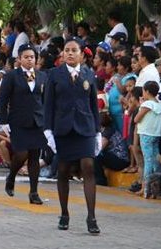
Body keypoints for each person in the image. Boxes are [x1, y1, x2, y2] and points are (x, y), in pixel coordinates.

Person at [43, 38, 102, 234]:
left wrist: (98, 132)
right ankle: (64, 213)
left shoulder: (89, 74)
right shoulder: (54, 75)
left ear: (81, 55)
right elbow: (48, 104)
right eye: (66, 50)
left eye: (74, 50)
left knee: (88, 167)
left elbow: (93, 105)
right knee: (63, 170)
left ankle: (91, 217)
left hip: (85, 128)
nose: (69, 53)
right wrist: (48, 130)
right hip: (63, 128)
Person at [0, 43, 47, 204]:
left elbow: (46, 100)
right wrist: (3, 121)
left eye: (32, 57)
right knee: (22, 153)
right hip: (18, 121)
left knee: (34, 156)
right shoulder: (11, 76)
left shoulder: (42, 76)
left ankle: (34, 192)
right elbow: (2, 99)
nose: (29, 60)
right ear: (19, 59)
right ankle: (11, 176)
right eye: (26, 57)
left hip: (37, 121)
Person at [134, 81, 161, 199]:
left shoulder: (147, 105)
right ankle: (156, 187)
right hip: (156, 134)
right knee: (156, 159)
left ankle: (145, 188)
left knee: (148, 160)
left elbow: (137, 119)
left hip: (146, 134)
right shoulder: (159, 104)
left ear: (146, 91)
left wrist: (142, 105)